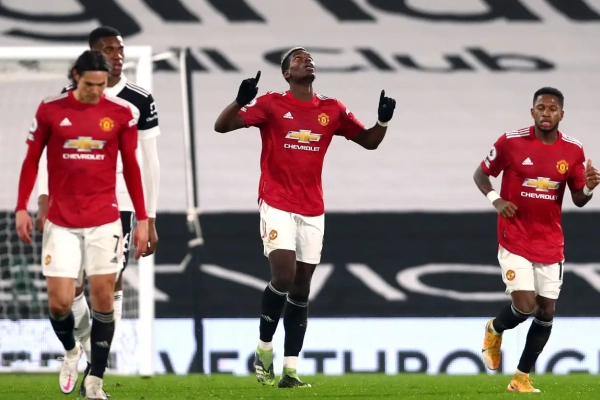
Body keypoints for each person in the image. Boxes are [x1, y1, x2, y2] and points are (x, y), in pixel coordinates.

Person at [214, 47, 396, 388]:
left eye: (309, 57)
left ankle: (290, 371)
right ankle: (264, 349)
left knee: (301, 289)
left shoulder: (332, 108)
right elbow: (221, 126)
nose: (306, 60)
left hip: (312, 207)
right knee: (283, 276)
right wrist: (240, 101)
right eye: (298, 59)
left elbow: (369, 142)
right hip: (277, 202)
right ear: (286, 73)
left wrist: (383, 121)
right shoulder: (270, 104)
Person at [15, 50, 149, 400]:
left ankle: (95, 381)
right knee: (59, 304)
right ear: (76, 76)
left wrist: (143, 218)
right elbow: (31, 160)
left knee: (104, 298)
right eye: (90, 84)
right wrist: (21, 207)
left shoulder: (121, 113)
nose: (95, 91)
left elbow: (132, 168)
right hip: (61, 222)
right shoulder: (50, 109)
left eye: (101, 85)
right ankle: (72, 350)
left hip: (105, 220)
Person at [474, 87, 600, 392]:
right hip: (515, 236)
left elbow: (578, 199)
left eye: (552, 109)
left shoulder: (573, 150)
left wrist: (589, 188)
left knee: (546, 312)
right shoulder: (511, 142)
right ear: (532, 112)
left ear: (561, 115)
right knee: (525, 306)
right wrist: (496, 200)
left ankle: (521, 377)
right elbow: (480, 175)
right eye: (541, 108)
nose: (546, 113)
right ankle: (494, 329)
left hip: (550, 241)